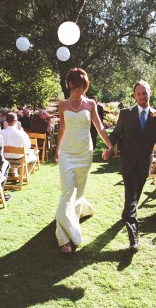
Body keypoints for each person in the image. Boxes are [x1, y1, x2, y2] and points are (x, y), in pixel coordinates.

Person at [103, 80, 156, 253]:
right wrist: (108, 148)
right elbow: (116, 134)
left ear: (150, 93)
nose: (141, 96)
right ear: (134, 95)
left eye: (144, 93)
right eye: (138, 94)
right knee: (130, 194)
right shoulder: (125, 113)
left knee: (135, 195)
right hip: (127, 162)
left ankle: (127, 214)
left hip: (145, 164)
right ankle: (133, 238)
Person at [55, 68, 113, 253]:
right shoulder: (63, 105)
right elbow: (62, 130)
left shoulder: (90, 105)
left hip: (84, 153)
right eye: (78, 89)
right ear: (70, 86)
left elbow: (100, 127)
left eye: (83, 89)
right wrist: (57, 151)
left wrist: (110, 145)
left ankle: (76, 215)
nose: (81, 93)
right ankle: (63, 238)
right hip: (67, 153)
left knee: (78, 193)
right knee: (67, 192)